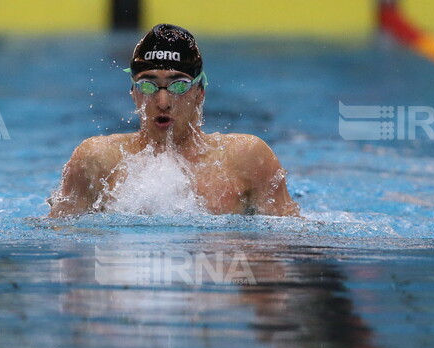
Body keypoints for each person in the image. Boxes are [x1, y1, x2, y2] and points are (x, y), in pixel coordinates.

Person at [48, 24, 300, 217]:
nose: (163, 101)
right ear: (134, 93)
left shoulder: (247, 158)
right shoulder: (96, 160)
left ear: (200, 92)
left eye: (178, 85)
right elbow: (60, 240)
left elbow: (287, 241)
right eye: (148, 85)